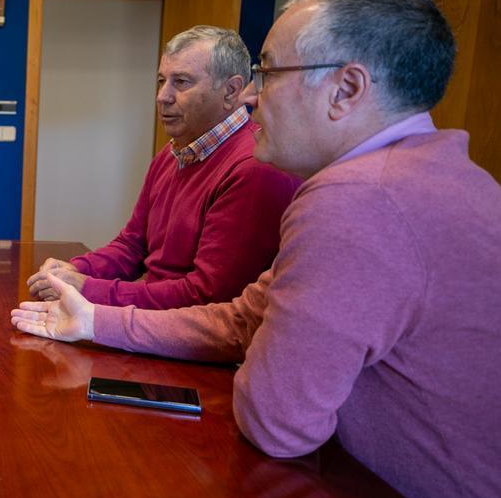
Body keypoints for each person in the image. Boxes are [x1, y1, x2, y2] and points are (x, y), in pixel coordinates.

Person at [12, 0, 501, 498]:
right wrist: (94, 320)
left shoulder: (357, 200)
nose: (250, 98)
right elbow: (244, 317)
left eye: (268, 74)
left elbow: (276, 422)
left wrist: (255, 356)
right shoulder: (434, 174)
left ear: (345, 89)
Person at [27, 26, 300, 310]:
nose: (162, 96)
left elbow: (208, 298)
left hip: (189, 340)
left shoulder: (254, 167)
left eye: (181, 82)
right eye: (161, 80)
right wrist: (74, 270)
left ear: (231, 91)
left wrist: (87, 288)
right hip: (154, 324)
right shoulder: (172, 154)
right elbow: (132, 245)